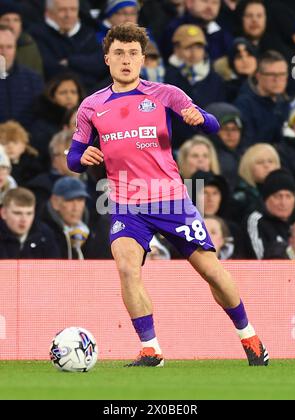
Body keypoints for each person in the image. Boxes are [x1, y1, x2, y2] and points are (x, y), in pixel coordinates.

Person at [67, 22, 269, 367]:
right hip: (126, 202)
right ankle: (151, 350)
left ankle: (250, 339)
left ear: (143, 58)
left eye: (133, 53)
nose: (126, 60)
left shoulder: (165, 94)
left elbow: (213, 125)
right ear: (107, 59)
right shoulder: (91, 106)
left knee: (210, 270)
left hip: (171, 198)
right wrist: (81, 157)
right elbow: (73, 157)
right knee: (127, 268)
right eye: (119, 53)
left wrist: (199, 118)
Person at [0, 187, 60, 258]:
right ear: (3, 213)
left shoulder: (45, 235)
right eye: (17, 213)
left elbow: (54, 267)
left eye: (29, 213)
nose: (24, 219)